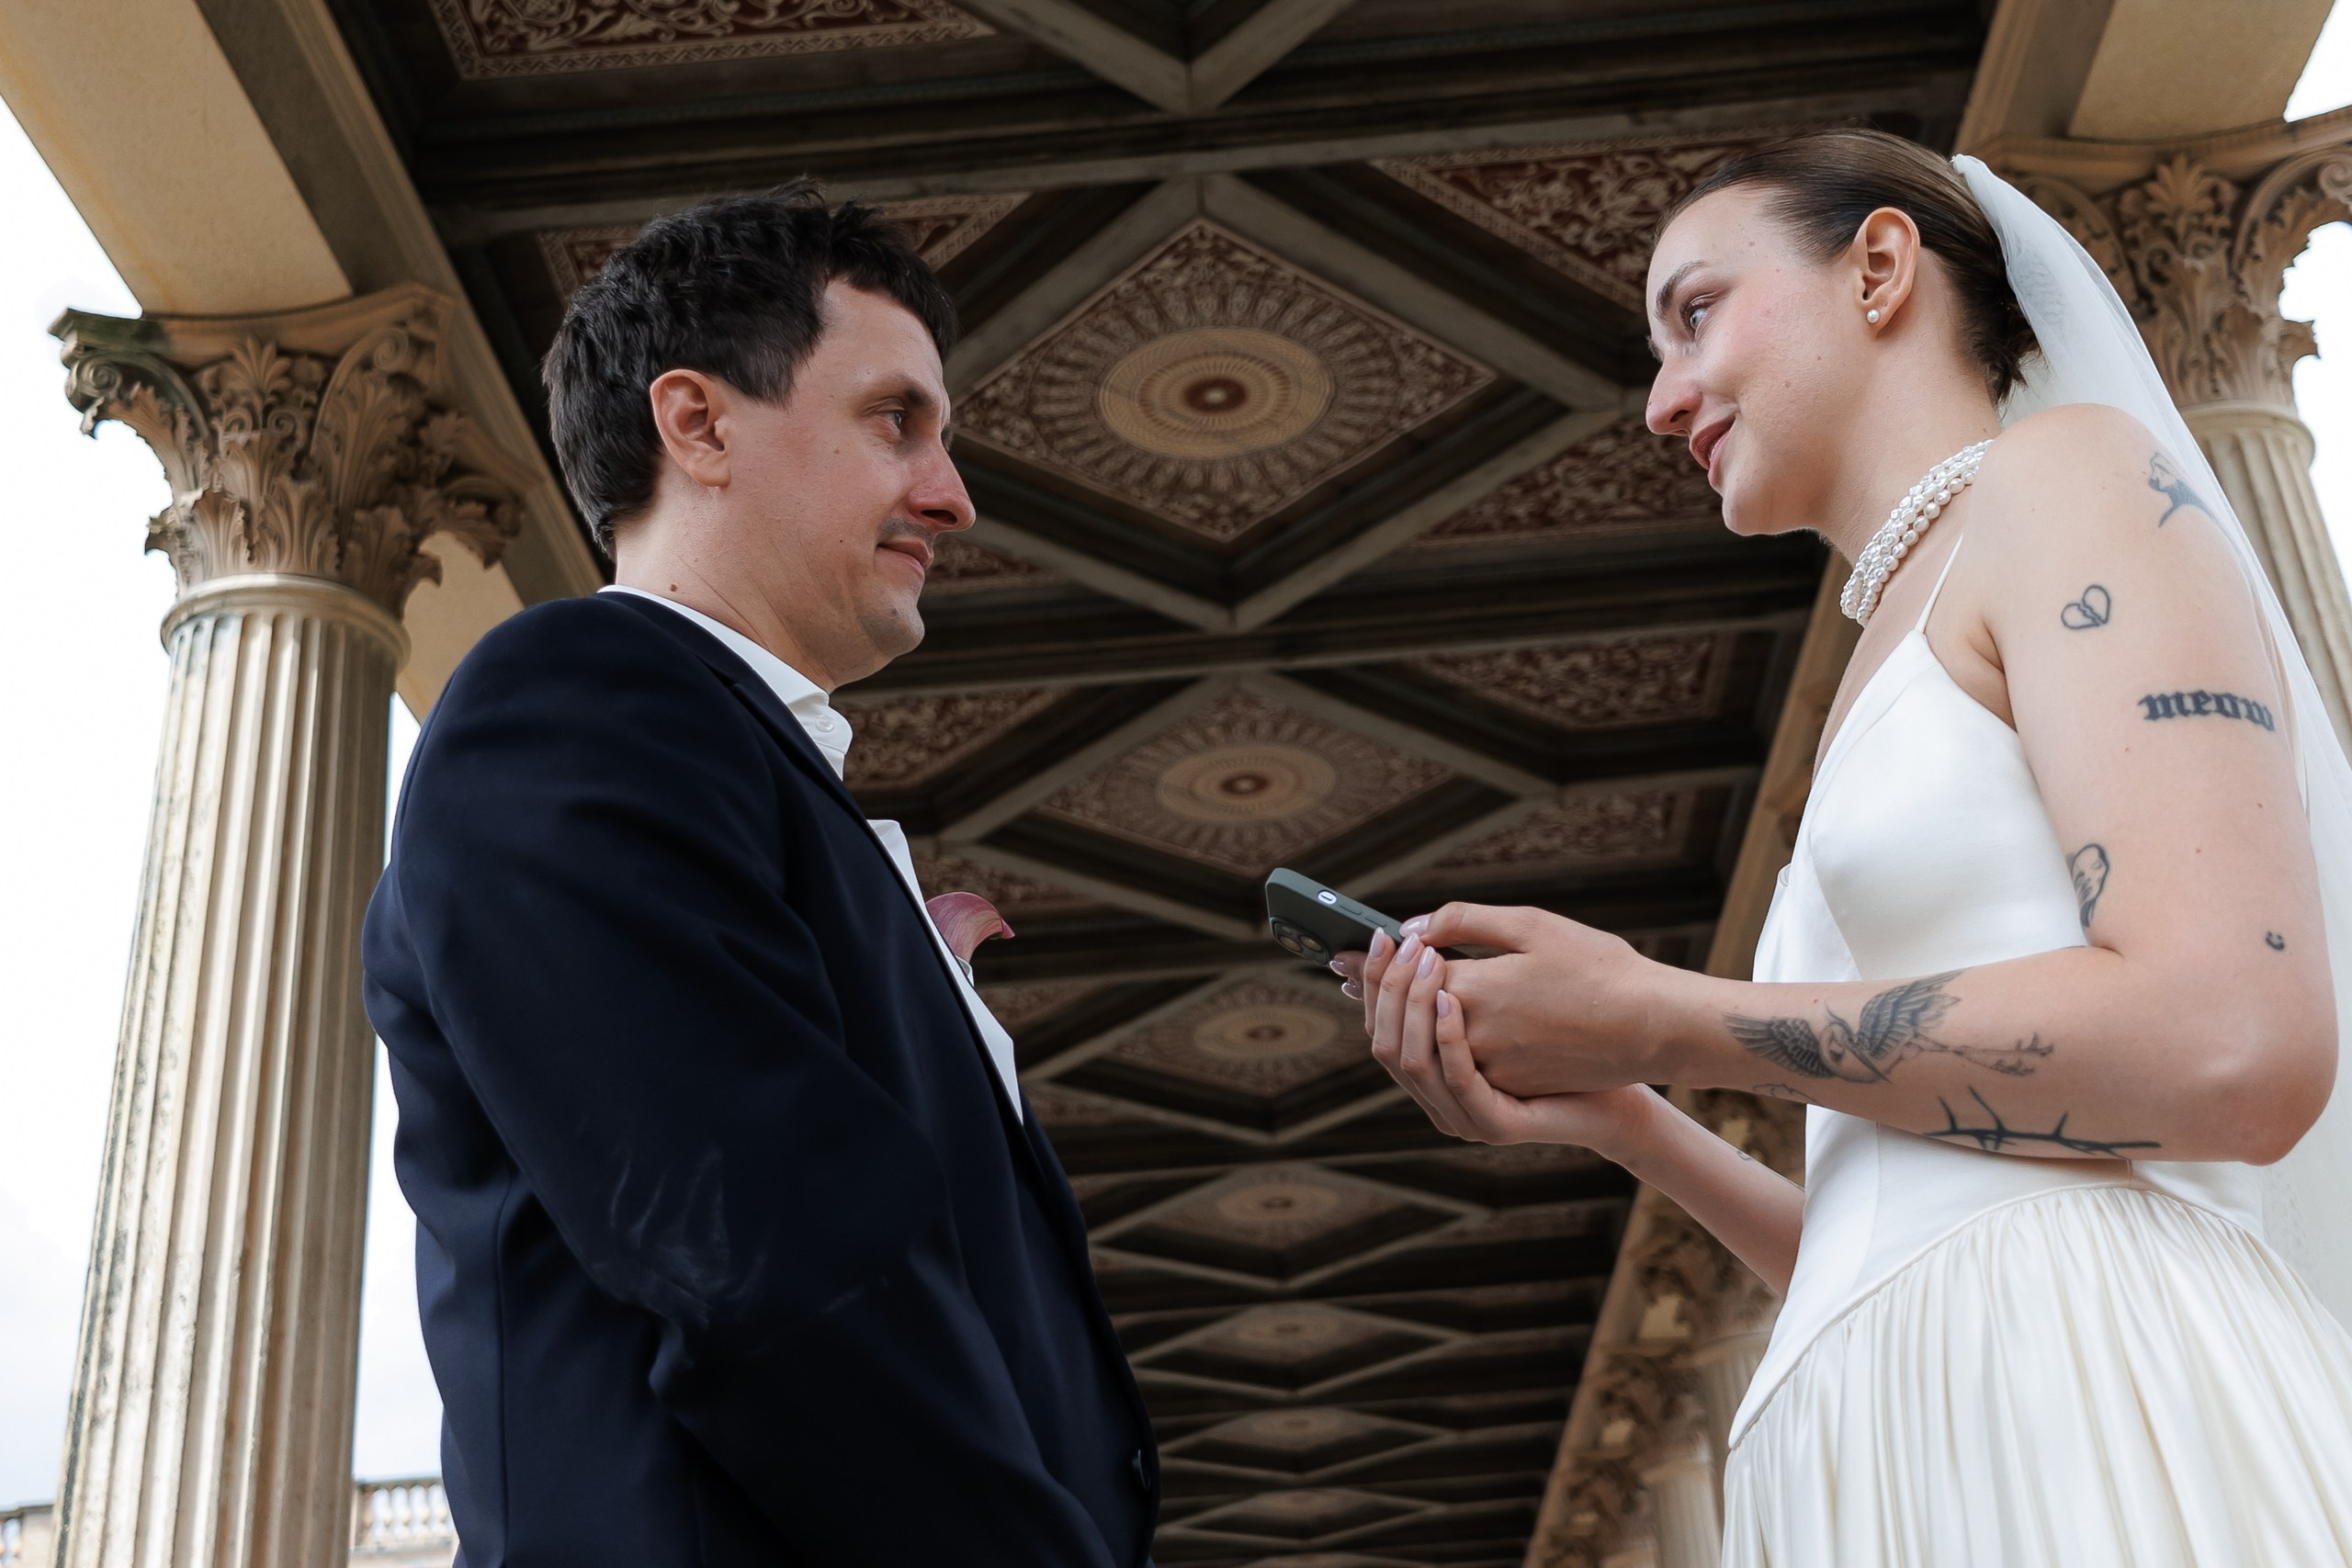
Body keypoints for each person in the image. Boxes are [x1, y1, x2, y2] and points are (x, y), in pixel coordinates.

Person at [1342, 130, 2352, 1563]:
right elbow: (1897, 1233)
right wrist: (1626, 1108)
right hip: (1888, 1419)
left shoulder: (2068, 479)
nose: (1657, 400)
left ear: (1881, 268)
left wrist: (1665, 1013)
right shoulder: (1878, 653)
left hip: (2091, 1392)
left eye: (1695, 312)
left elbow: (2237, 1042)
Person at [362, 184, 1159, 1567]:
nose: (954, 496)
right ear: (698, 423)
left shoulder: (719, 768)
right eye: (893, 420)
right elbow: (760, 1266)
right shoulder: (574, 704)